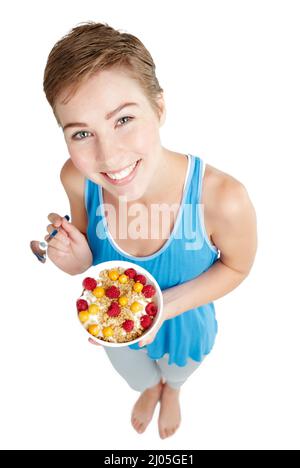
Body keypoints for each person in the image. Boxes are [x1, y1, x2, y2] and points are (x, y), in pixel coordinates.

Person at [42, 21, 257, 439]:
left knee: (181, 369)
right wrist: (77, 261)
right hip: (116, 329)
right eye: (82, 133)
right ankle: (148, 388)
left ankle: (172, 390)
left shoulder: (223, 198)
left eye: (123, 119)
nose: (108, 155)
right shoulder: (75, 178)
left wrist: (161, 309)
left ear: (159, 108)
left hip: (186, 325)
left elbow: (236, 268)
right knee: (133, 373)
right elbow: (88, 255)